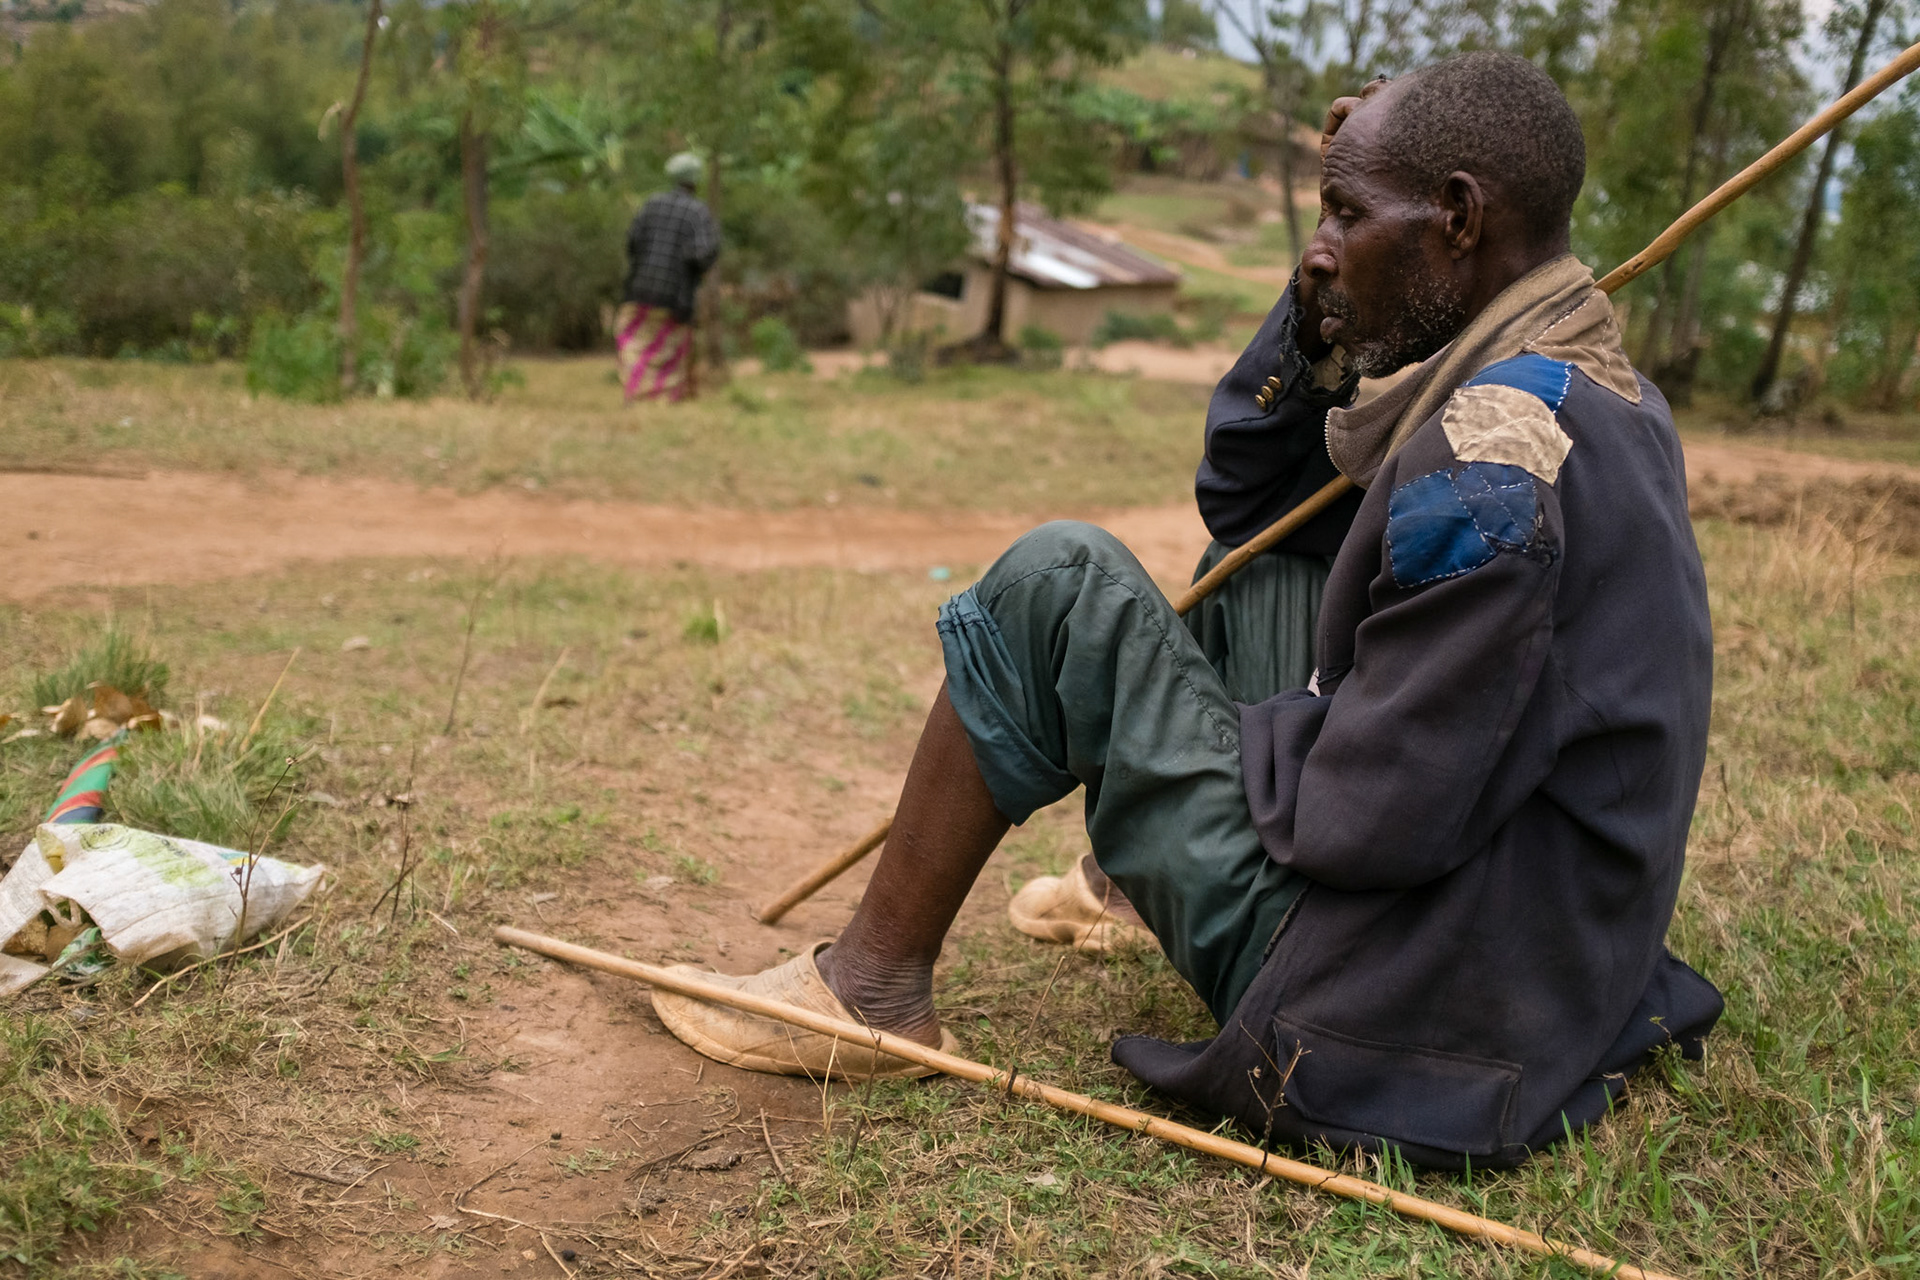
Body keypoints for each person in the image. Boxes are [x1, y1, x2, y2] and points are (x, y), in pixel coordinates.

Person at [651, 52, 1727, 1169]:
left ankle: (868, 990)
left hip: (1410, 1009)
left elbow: (1368, 820)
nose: (1318, 249)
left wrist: (1179, 731)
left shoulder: (1487, 465)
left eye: (1347, 213)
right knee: (1250, 560)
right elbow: (1252, 500)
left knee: (1060, 585)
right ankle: (1124, 887)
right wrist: (1336, 262)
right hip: (1540, 959)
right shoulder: (1589, 390)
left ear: (1455, 217)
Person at [617, 152, 720, 403]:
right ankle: (662, 397)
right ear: (695, 181)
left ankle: (637, 393)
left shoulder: (651, 204)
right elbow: (704, 254)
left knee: (635, 344)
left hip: (639, 290)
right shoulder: (698, 212)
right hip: (676, 296)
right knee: (669, 348)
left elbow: (632, 243)